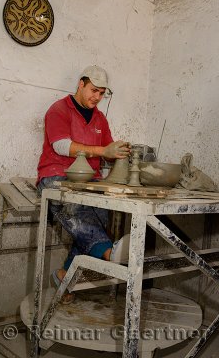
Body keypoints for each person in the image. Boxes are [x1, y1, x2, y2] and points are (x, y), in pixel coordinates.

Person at [37, 65, 131, 303]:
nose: (97, 97)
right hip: (57, 177)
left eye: (102, 93)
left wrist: (119, 151)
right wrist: (102, 150)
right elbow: (61, 145)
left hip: (91, 180)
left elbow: (108, 152)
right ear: (81, 84)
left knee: (98, 219)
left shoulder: (100, 117)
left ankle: (63, 276)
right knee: (79, 216)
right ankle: (112, 254)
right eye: (93, 90)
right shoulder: (59, 109)